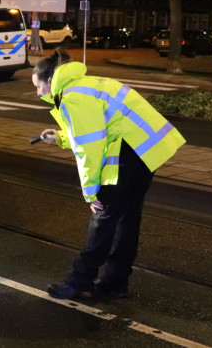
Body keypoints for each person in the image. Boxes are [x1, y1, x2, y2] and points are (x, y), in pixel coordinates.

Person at [31, 50, 185, 300]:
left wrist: (91, 193)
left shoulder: (72, 98)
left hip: (132, 153)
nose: (38, 94)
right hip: (147, 148)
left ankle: (80, 281)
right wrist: (59, 137)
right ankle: (116, 282)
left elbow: (89, 148)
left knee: (103, 216)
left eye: (38, 87)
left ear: (50, 81)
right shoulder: (84, 85)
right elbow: (95, 131)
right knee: (127, 217)